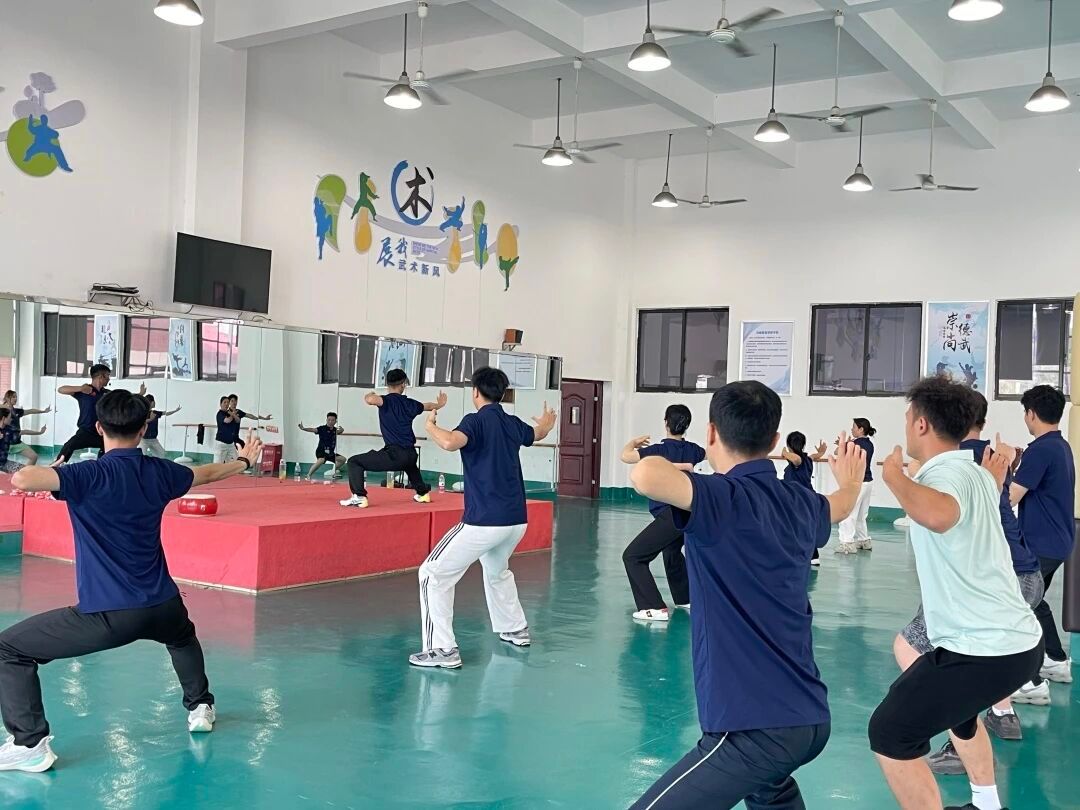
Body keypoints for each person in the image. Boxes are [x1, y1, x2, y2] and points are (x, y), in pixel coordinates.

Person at [628, 380, 866, 809]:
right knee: (769, 791)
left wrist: (671, 457)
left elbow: (644, 475)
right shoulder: (800, 502)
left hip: (753, 728)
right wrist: (849, 482)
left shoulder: (719, 497)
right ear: (774, 441)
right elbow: (842, 505)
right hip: (807, 715)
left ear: (711, 432)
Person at [0, 389, 264, 773]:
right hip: (163, 603)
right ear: (143, 429)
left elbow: (24, 478)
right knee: (182, 637)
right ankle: (201, 706)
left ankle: (29, 745)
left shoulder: (87, 474)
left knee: (8, 649)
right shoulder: (161, 471)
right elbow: (205, 473)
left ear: (98, 427)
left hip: (109, 615)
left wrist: (54, 473)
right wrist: (243, 461)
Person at [869, 377, 1043, 810]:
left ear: (921, 425)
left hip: (984, 651)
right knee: (960, 717)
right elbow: (963, 500)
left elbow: (940, 515)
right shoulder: (975, 473)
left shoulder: (945, 473)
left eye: (908, 418)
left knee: (890, 733)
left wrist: (892, 475)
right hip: (1014, 645)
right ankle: (986, 803)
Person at [411, 367, 557, 669]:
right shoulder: (511, 422)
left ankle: (442, 649)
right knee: (497, 571)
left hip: (484, 521)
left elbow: (450, 442)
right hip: (515, 521)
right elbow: (538, 433)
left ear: (476, 392)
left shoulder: (475, 420)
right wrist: (546, 422)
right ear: (501, 394)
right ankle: (515, 628)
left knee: (432, 573)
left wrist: (430, 426)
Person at [1010, 384, 1074, 688]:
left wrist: (997, 474)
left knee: (1015, 602)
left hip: (1040, 544)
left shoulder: (1040, 450)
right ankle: (1055, 660)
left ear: (1031, 414)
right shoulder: (1060, 446)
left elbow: (1011, 496)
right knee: (1034, 601)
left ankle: (1030, 682)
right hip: (1057, 541)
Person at [619, 404, 705, 622]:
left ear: (666, 422)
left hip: (671, 515)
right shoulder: (694, 450)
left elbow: (625, 456)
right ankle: (686, 598)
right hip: (689, 513)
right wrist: (684, 466)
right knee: (671, 551)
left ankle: (653, 607)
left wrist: (633, 442)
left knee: (633, 556)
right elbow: (710, 455)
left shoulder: (657, 451)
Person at [339, 370, 447, 508]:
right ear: (403, 384)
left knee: (354, 462)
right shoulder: (410, 404)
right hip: (411, 454)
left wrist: (371, 394)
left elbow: (370, 400)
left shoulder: (385, 401)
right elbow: (429, 406)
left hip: (395, 455)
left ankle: (359, 496)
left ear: (387, 384)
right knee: (410, 466)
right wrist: (440, 405)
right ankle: (423, 493)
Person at [781, 432, 828, 566]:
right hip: (808, 498)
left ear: (789, 445)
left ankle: (808, 554)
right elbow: (815, 456)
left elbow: (796, 459)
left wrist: (784, 452)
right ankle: (812, 555)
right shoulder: (808, 459)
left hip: (798, 499)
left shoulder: (798, 461)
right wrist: (821, 452)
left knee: (796, 527)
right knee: (804, 527)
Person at [54, 364, 113, 464]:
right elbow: (61, 389)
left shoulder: (107, 393)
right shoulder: (84, 391)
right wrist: (80, 388)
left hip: (102, 431)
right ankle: (55, 466)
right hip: (85, 431)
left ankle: (102, 467)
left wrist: (139, 394)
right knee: (69, 446)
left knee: (109, 449)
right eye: (107, 375)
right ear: (101, 376)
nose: (109, 379)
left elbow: (123, 397)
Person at [836, 417, 876, 554]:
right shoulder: (869, 444)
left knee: (848, 512)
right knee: (861, 515)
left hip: (856, 482)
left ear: (861, 429)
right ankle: (863, 540)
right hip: (868, 482)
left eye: (854, 427)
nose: (852, 429)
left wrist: (843, 445)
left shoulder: (855, 444)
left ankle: (846, 543)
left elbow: (838, 453)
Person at [1, 391, 51, 466]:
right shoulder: (2, 411)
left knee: (34, 456)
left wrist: (43, 411)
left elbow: (30, 411)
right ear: (7, 398)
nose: (16, 398)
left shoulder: (16, 411)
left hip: (16, 442)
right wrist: (6, 406)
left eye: (16, 397)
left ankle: (25, 472)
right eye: (13, 397)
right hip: (4, 441)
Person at [299, 413, 346, 479]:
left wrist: (342, 430)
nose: (330, 422)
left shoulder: (335, 430)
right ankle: (308, 475)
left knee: (343, 459)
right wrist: (303, 428)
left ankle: (332, 471)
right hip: (321, 451)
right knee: (321, 460)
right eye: (329, 420)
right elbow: (313, 429)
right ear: (326, 420)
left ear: (335, 421)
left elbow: (339, 432)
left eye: (332, 420)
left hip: (329, 452)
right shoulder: (322, 428)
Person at [139, 395, 181, 459]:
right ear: (152, 402)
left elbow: (166, 413)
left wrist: (175, 410)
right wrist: (150, 419)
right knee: (141, 456)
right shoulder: (143, 413)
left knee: (161, 455)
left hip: (153, 439)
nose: (155, 403)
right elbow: (142, 421)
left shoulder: (155, 413)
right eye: (154, 401)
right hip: (144, 440)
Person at [0, 410, 28, 475]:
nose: (11, 419)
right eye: (9, 417)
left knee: (25, 470)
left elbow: (22, 432)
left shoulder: (9, 429)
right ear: (3, 418)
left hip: (4, 463)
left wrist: (40, 432)